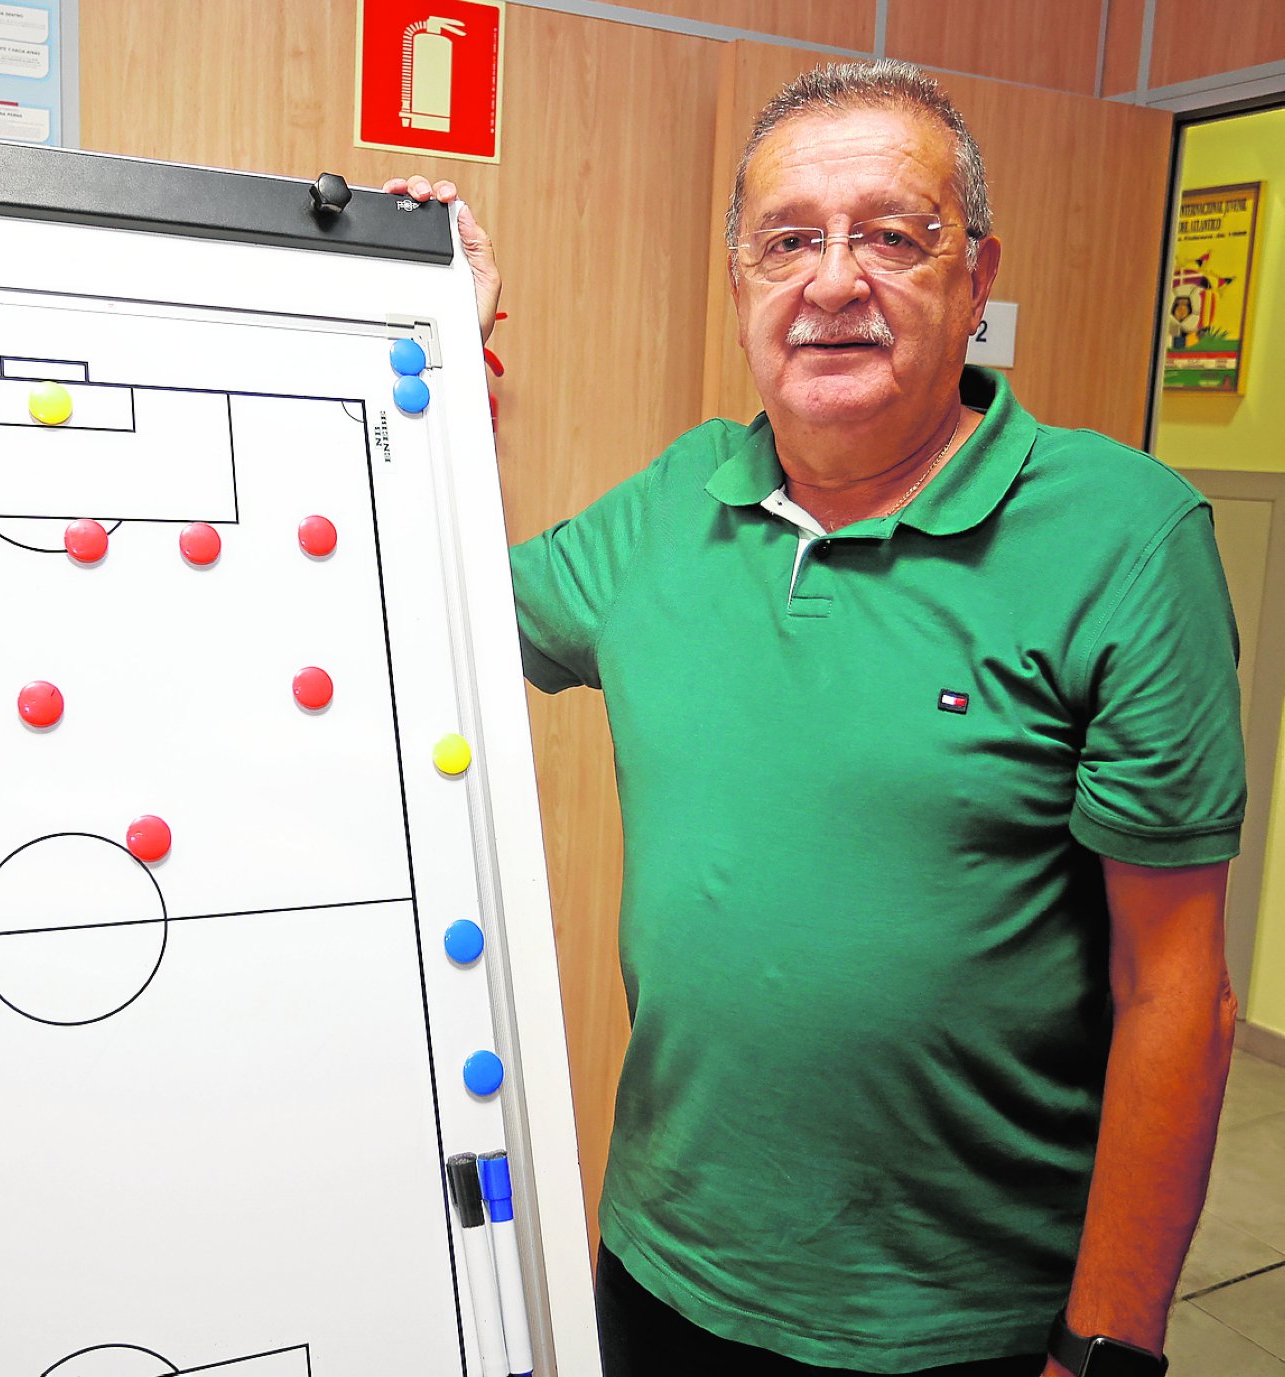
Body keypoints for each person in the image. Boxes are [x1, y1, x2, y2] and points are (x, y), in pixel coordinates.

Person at [390, 58, 1244, 1377]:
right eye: (788, 239)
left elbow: (1175, 983)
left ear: (976, 276)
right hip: (664, 1272)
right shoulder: (674, 505)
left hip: (960, 1328)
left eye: (893, 235)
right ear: (741, 281)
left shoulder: (1125, 535)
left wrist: (1109, 1346)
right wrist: (436, 338)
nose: (833, 281)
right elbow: (435, 615)